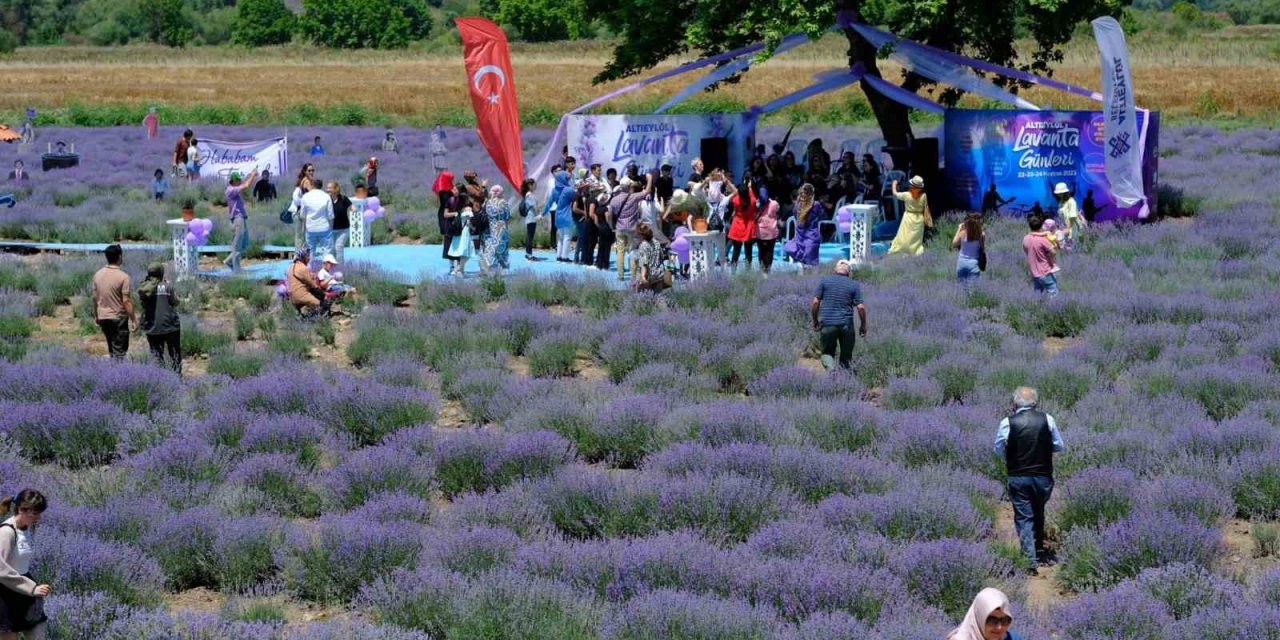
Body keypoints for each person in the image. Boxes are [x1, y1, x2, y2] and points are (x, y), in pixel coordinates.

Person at [995, 386, 1065, 574]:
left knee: (1024, 517)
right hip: (1043, 477)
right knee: (1038, 510)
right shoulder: (1047, 419)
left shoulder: (1007, 423)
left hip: (1018, 476)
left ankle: (1029, 561)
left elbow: (998, 449)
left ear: (1014, 403)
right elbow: (1059, 446)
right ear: (1036, 403)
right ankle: (1039, 549)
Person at [0, 489, 51, 640]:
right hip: (6, 593)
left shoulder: (28, 527)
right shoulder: (6, 532)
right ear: (22, 510)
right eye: (35, 513)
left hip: (24, 590)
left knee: (38, 632)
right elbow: (1, 570)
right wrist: (32, 588)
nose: (39, 518)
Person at [811, 260, 867, 371]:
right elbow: (861, 307)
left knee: (827, 353)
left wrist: (815, 320)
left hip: (827, 324)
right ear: (849, 272)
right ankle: (844, 379)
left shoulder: (825, 281)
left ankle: (832, 371)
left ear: (835, 270)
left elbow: (815, 302)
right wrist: (863, 325)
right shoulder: (854, 284)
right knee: (846, 357)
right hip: (846, 325)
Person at [91, 244, 135, 360]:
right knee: (120, 351)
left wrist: (96, 315)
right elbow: (126, 301)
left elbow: (95, 298)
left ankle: (113, 372)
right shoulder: (124, 277)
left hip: (103, 317)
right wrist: (133, 319)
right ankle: (119, 375)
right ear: (119, 257)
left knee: (112, 348)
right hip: (118, 318)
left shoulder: (97, 275)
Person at [137, 263, 181, 374]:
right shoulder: (167, 286)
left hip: (152, 327)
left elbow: (142, 305)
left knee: (156, 355)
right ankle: (177, 376)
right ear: (161, 273)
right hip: (170, 326)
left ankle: (160, 378)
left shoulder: (144, 288)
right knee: (174, 353)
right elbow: (175, 302)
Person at [948, 588, 1021, 640]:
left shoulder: (1012, 638)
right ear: (978, 620)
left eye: (1005, 620)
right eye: (992, 620)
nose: (999, 627)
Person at [887, 175, 933, 256]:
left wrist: (894, 184)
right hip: (919, 218)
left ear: (912, 185)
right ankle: (915, 252)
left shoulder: (906, 195)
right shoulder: (923, 196)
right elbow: (925, 207)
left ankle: (902, 250)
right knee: (916, 238)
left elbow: (895, 193)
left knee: (904, 235)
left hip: (908, 217)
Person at [223, 168, 259, 272]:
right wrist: (252, 174)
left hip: (241, 218)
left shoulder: (234, 190)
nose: (240, 181)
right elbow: (246, 185)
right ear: (233, 180)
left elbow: (245, 187)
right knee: (237, 244)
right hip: (237, 219)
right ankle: (236, 269)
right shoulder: (230, 190)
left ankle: (229, 261)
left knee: (244, 243)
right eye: (238, 180)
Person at [784, 183, 822, 270]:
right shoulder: (798, 205)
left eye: (803, 195)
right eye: (801, 195)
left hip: (811, 236)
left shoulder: (815, 205)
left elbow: (817, 215)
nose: (801, 197)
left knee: (810, 263)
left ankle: (810, 279)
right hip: (800, 236)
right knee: (789, 247)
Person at [543, 167, 577, 262]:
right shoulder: (568, 190)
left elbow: (548, 204)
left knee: (560, 237)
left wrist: (542, 214)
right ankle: (564, 257)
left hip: (558, 214)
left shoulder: (554, 190)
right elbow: (576, 197)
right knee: (567, 237)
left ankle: (559, 256)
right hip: (567, 215)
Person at [299, 176, 334, 265]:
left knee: (310, 252)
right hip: (324, 227)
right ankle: (326, 271)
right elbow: (330, 215)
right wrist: (331, 227)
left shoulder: (305, 197)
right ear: (321, 186)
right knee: (326, 251)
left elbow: (302, 215)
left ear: (312, 185)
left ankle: (309, 271)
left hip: (310, 228)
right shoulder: (326, 196)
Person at [727, 175, 759, 272]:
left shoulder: (736, 201)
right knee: (748, 252)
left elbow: (736, 193)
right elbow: (751, 195)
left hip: (737, 227)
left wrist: (743, 186)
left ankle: (733, 272)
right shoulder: (752, 201)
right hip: (748, 228)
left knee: (736, 252)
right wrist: (749, 186)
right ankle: (748, 272)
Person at [286, 248, 329, 319]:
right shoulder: (303, 268)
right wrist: (324, 295)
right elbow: (313, 285)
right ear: (302, 257)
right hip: (302, 296)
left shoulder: (290, 267)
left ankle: (301, 314)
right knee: (323, 305)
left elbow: (304, 276)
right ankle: (311, 320)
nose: (309, 258)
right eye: (307, 256)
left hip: (292, 298)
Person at [1023, 215, 1058, 298]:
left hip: (1034, 273)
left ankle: (1037, 309)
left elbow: (1026, 251)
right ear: (1041, 226)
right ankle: (1053, 310)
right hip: (1045, 272)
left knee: (1038, 295)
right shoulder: (1043, 240)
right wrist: (1054, 247)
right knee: (1053, 294)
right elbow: (1053, 253)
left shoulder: (1025, 238)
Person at [288, 164, 317, 252]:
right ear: (305, 172)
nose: (311, 172)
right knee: (301, 235)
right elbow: (313, 193)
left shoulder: (305, 181)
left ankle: (301, 255)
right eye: (309, 170)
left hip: (302, 211)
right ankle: (299, 256)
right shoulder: (306, 181)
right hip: (300, 212)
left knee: (301, 235)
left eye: (312, 170)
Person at [482, 186, 511, 272]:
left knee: (491, 246)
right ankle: (499, 267)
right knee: (501, 247)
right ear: (500, 192)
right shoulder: (503, 203)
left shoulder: (487, 203)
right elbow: (507, 216)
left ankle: (487, 265)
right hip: (501, 227)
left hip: (490, 227)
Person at [634, 223, 669, 292]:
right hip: (658, 274)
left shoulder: (643, 246)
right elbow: (661, 256)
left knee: (644, 299)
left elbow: (644, 263)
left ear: (641, 235)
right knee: (658, 298)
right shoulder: (657, 243)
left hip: (648, 276)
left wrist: (643, 277)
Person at [755, 183, 781, 275]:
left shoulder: (756, 203)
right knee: (770, 251)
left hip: (760, 232)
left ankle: (762, 270)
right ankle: (768, 270)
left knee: (761, 250)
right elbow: (777, 211)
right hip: (772, 232)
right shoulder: (774, 203)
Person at [952, 212, 985, 284]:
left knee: (961, 289)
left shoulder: (962, 233)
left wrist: (959, 228)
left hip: (961, 264)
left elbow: (954, 244)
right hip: (973, 264)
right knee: (973, 291)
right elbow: (982, 248)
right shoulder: (981, 235)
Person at [447, 194, 476, 276]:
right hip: (465, 233)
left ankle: (461, 272)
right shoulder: (468, 209)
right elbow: (468, 223)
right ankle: (458, 269)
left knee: (461, 252)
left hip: (458, 233)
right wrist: (473, 228)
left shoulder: (459, 210)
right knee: (468, 253)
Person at [434, 170, 458, 262]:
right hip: (449, 215)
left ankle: (451, 262)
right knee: (450, 238)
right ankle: (452, 260)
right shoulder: (447, 193)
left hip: (442, 213)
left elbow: (437, 204)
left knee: (448, 237)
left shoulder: (439, 190)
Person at [326, 181, 352, 264]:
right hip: (331, 229)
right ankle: (332, 267)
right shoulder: (326, 200)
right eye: (327, 188)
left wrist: (354, 209)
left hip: (343, 229)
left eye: (330, 188)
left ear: (336, 189)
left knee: (339, 247)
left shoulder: (343, 199)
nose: (327, 190)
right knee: (331, 249)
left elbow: (352, 206)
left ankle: (340, 268)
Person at [519, 178, 542, 261]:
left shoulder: (528, 194)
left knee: (530, 235)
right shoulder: (529, 194)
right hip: (531, 217)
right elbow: (534, 206)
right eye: (533, 184)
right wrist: (539, 215)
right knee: (530, 236)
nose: (535, 186)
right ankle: (529, 255)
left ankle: (528, 254)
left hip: (531, 217)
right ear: (529, 185)